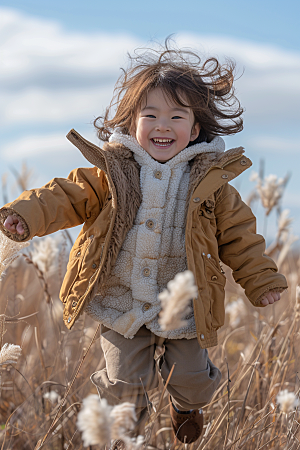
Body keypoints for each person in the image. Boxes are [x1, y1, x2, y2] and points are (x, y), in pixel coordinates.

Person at [0, 41, 287, 445]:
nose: (162, 125)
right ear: (131, 123)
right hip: (121, 301)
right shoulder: (112, 172)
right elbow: (64, 196)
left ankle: (186, 406)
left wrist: (262, 280)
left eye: (176, 116)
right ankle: (124, 431)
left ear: (196, 128)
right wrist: (24, 215)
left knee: (191, 379)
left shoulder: (211, 185)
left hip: (185, 304)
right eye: (149, 115)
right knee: (121, 383)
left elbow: (241, 237)